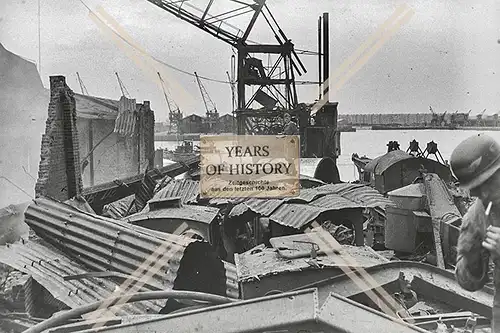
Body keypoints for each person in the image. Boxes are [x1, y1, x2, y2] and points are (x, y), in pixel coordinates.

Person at [450, 133, 500, 331]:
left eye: (488, 182)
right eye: (477, 189)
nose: (485, 194)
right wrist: (472, 261)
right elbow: (468, 282)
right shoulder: (477, 216)